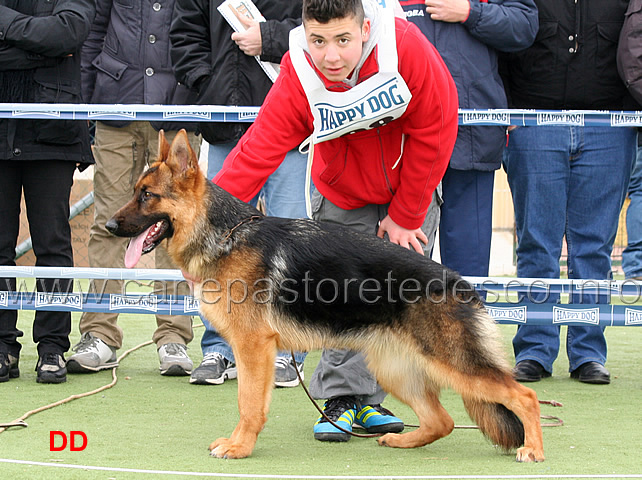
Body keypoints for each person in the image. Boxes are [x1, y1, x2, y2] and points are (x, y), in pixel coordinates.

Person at [207, 0, 458, 440]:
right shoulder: (298, 69)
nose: (331, 56)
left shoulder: (406, 46)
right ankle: (343, 401)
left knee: (399, 301)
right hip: (342, 191)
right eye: (318, 41)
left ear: (364, 28)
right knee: (340, 296)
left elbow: (435, 126)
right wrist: (207, 234)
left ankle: (380, 402)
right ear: (304, 33)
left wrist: (406, 214)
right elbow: (257, 150)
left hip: (410, 189)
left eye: (343, 40)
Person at [170, 0, 308, 387]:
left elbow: (319, 29)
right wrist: (210, 83)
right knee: (216, 245)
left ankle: (288, 351)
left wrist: (269, 39)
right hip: (225, 129)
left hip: (291, 127)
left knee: (291, 243)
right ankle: (219, 347)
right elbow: (183, 37)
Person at [500, 0, 637, 385]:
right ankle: (534, 350)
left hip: (609, 125)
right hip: (532, 122)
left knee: (593, 246)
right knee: (536, 243)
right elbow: (502, 45)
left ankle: (588, 353)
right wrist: (508, 113)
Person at [66, 0, 201, 377]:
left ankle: (174, 336)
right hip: (116, 103)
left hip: (179, 108)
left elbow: (201, 31)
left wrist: (198, 87)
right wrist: (88, 101)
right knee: (108, 223)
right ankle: (99, 335)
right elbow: (94, 31)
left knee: (175, 226)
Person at [401, 0, 537, 279]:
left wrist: (468, 12)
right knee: (403, 273)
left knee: (467, 278)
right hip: (403, 142)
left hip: (472, 138)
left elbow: (524, 25)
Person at [0, 0, 96, 384]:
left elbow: (67, 34)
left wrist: (4, 23)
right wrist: (42, 47)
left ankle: (52, 347)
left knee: (53, 243)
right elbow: (53, 43)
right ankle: (3, 347)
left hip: (53, 130)